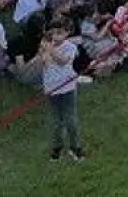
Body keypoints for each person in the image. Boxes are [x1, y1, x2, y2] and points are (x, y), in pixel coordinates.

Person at [38, 25, 84, 162]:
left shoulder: (70, 47)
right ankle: (57, 147)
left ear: (67, 33)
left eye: (59, 33)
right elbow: (44, 63)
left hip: (67, 88)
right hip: (51, 89)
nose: (55, 36)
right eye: (52, 33)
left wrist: (49, 49)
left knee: (71, 119)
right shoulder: (45, 48)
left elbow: (63, 61)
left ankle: (75, 147)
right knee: (56, 121)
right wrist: (44, 53)